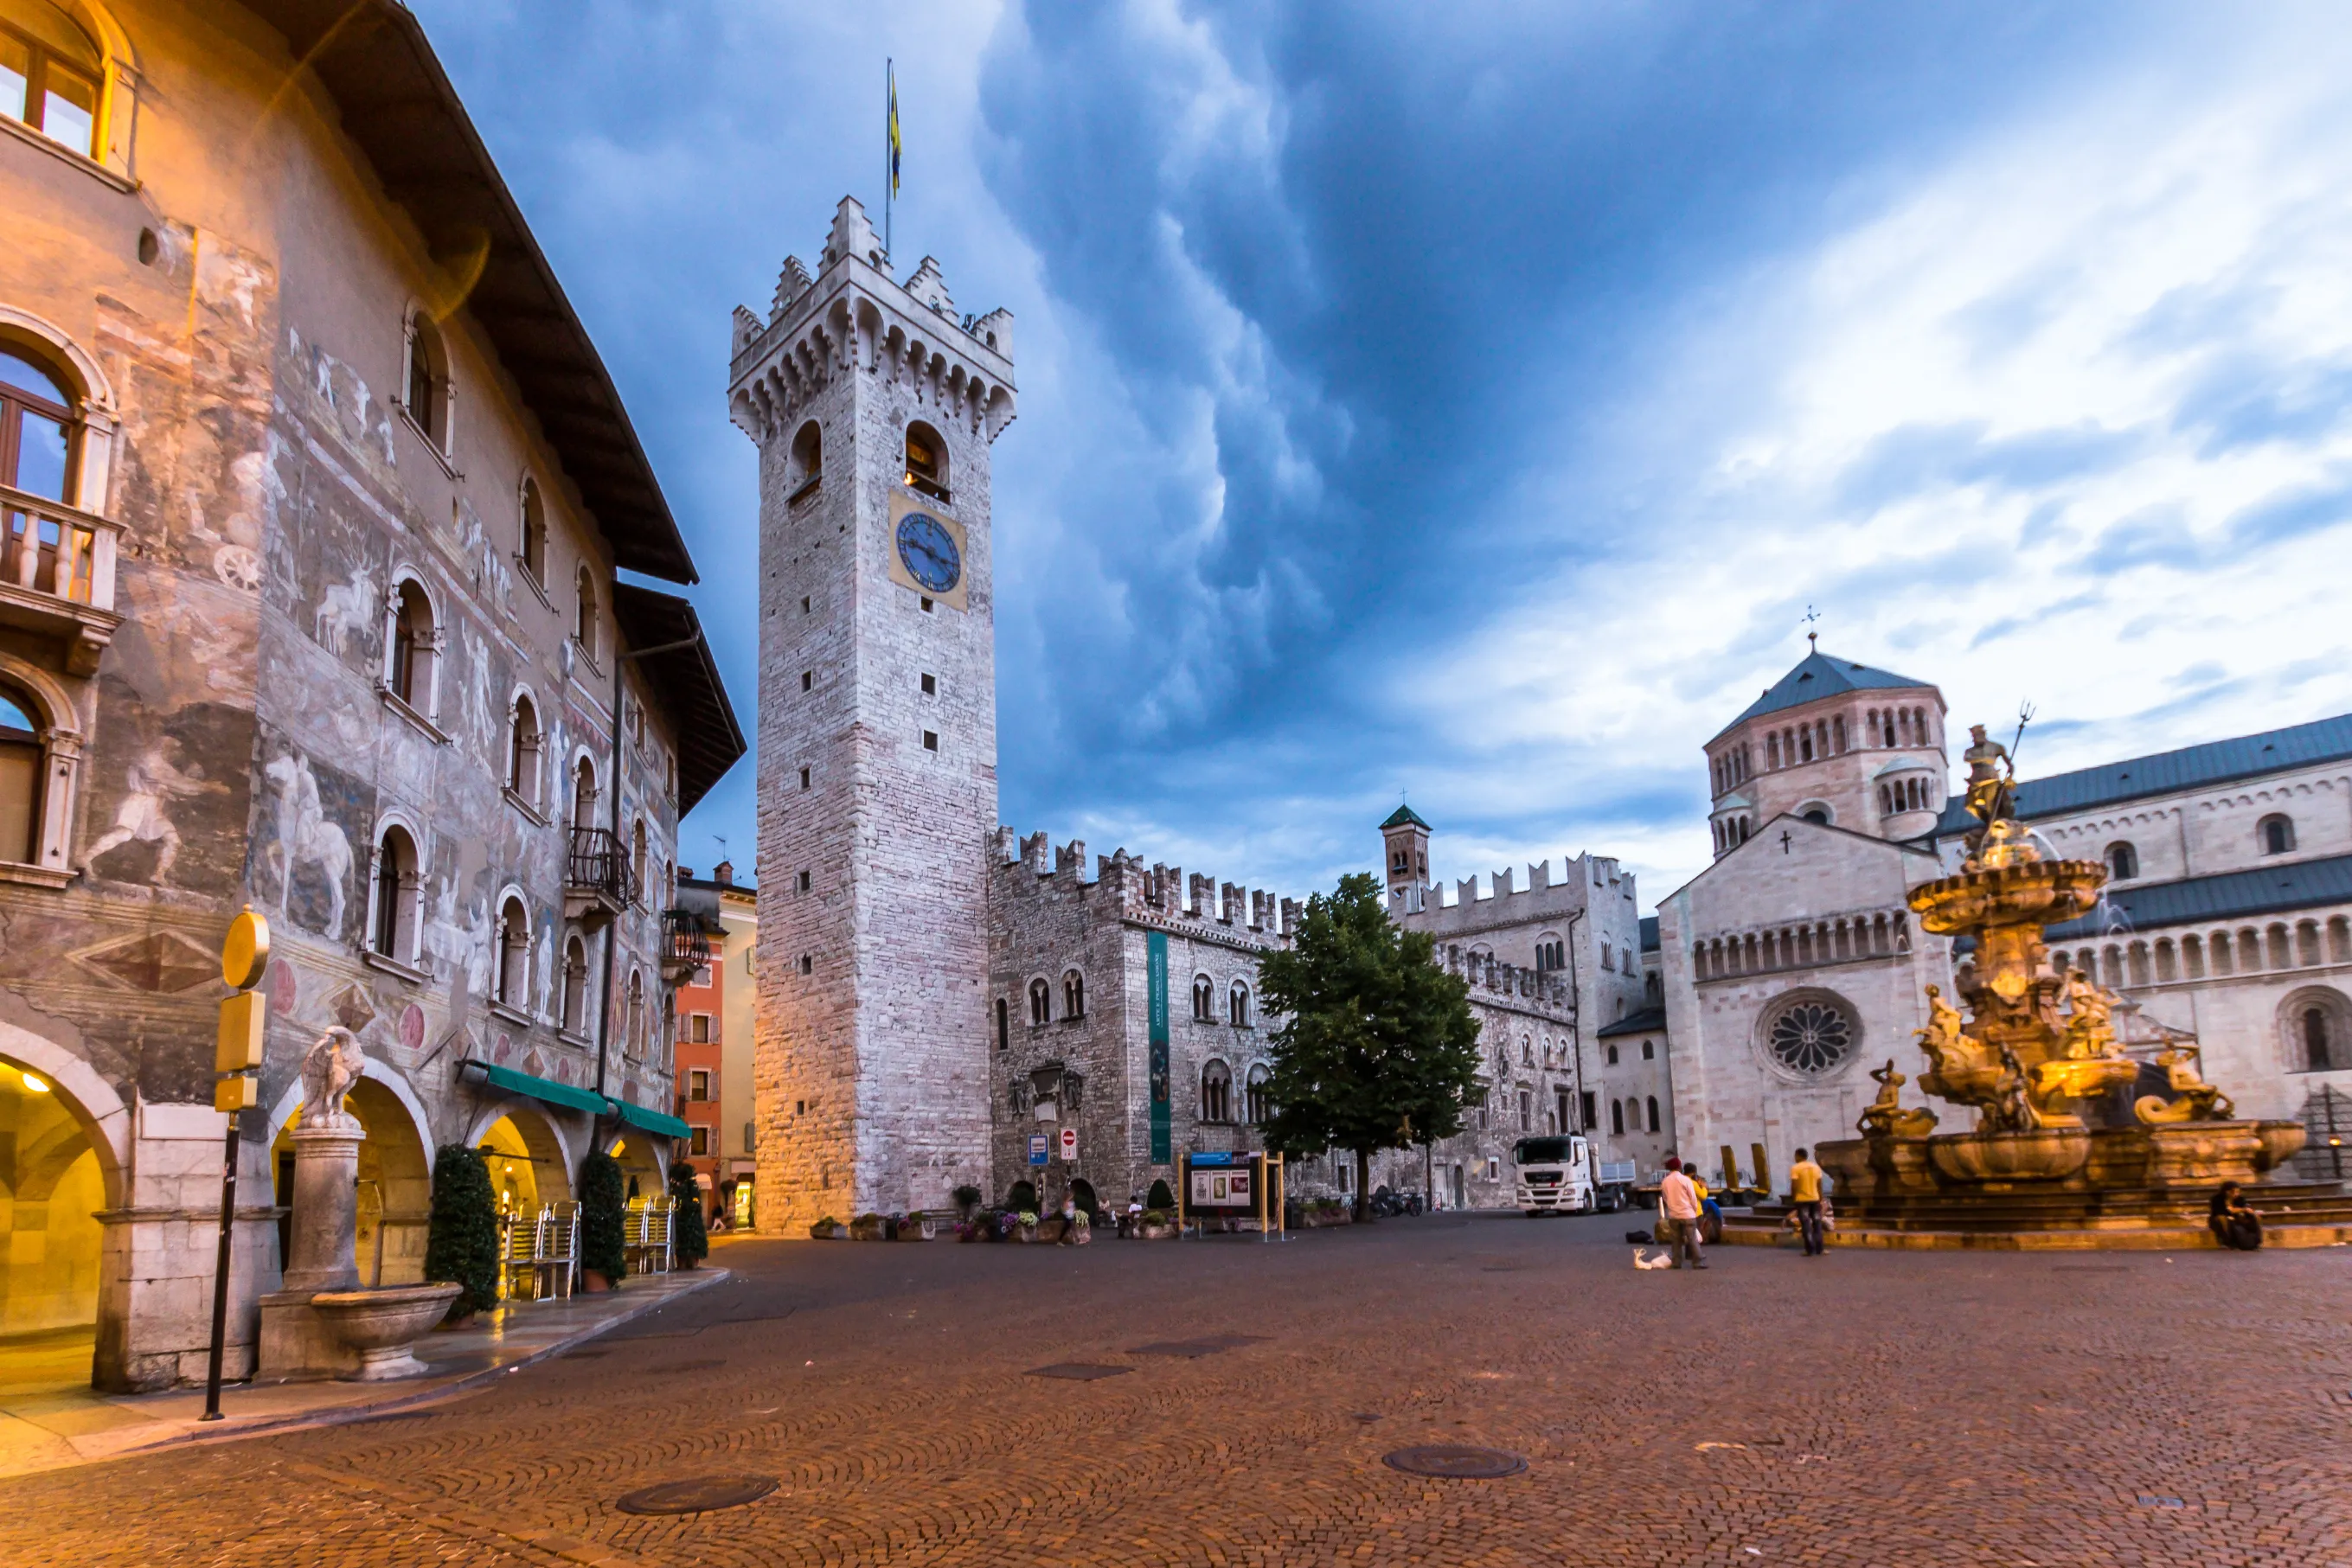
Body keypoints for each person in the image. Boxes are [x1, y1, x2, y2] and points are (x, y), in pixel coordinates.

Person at [1658, 1157, 1707, 1270]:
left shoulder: (1665, 1181)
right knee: (1692, 1239)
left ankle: (1676, 1262)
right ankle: (1698, 1262)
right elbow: (1693, 1197)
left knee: (1676, 1240)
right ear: (1679, 1167)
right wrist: (1694, 1210)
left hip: (1674, 1215)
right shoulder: (1685, 1180)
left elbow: (1665, 1198)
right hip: (1687, 1214)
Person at [1788, 1147, 1827, 1257]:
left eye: (1795, 1156)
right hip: (1815, 1199)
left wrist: (1794, 1198)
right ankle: (1820, 1249)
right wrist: (1820, 1198)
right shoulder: (1816, 1167)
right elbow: (1819, 1185)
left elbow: (1794, 1186)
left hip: (1802, 1200)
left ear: (1798, 1156)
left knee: (1806, 1224)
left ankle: (1810, 1250)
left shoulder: (1795, 1168)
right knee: (1817, 1223)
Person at [2209, 1182, 2263, 1251]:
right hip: (2220, 1220)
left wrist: (2245, 1212)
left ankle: (2254, 1242)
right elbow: (2219, 1212)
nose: (2236, 1194)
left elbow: (2245, 1209)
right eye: (2234, 1192)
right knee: (2222, 1218)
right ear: (2227, 1192)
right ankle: (2227, 1242)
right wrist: (2235, 1211)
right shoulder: (2217, 1199)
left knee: (2255, 1217)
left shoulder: (2240, 1199)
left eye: (2238, 1192)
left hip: (2237, 1219)